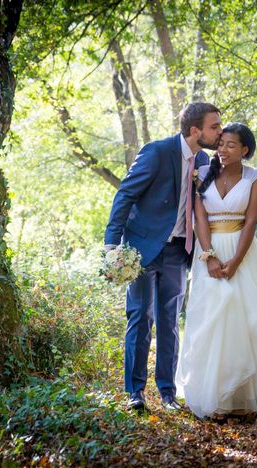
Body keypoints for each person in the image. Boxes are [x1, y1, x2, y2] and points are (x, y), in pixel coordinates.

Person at [104, 102, 222, 411]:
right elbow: (126, 194)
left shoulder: (203, 159)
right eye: (214, 127)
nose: (219, 132)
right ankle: (135, 393)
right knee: (141, 318)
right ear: (195, 130)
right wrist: (111, 245)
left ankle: (168, 394)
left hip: (178, 251)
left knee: (169, 322)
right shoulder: (156, 152)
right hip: (142, 249)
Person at [175, 122, 257, 419]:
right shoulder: (202, 175)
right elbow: (199, 218)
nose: (222, 150)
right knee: (211, 319)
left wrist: (236, 260)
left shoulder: (255, 178)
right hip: (209, 251)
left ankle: (247, 398)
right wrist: (210, 257)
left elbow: (251, 221)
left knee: (246, 318)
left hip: (243, 252)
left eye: (230, 145)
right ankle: (215, 398)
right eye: (221, 143)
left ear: (245, 150)